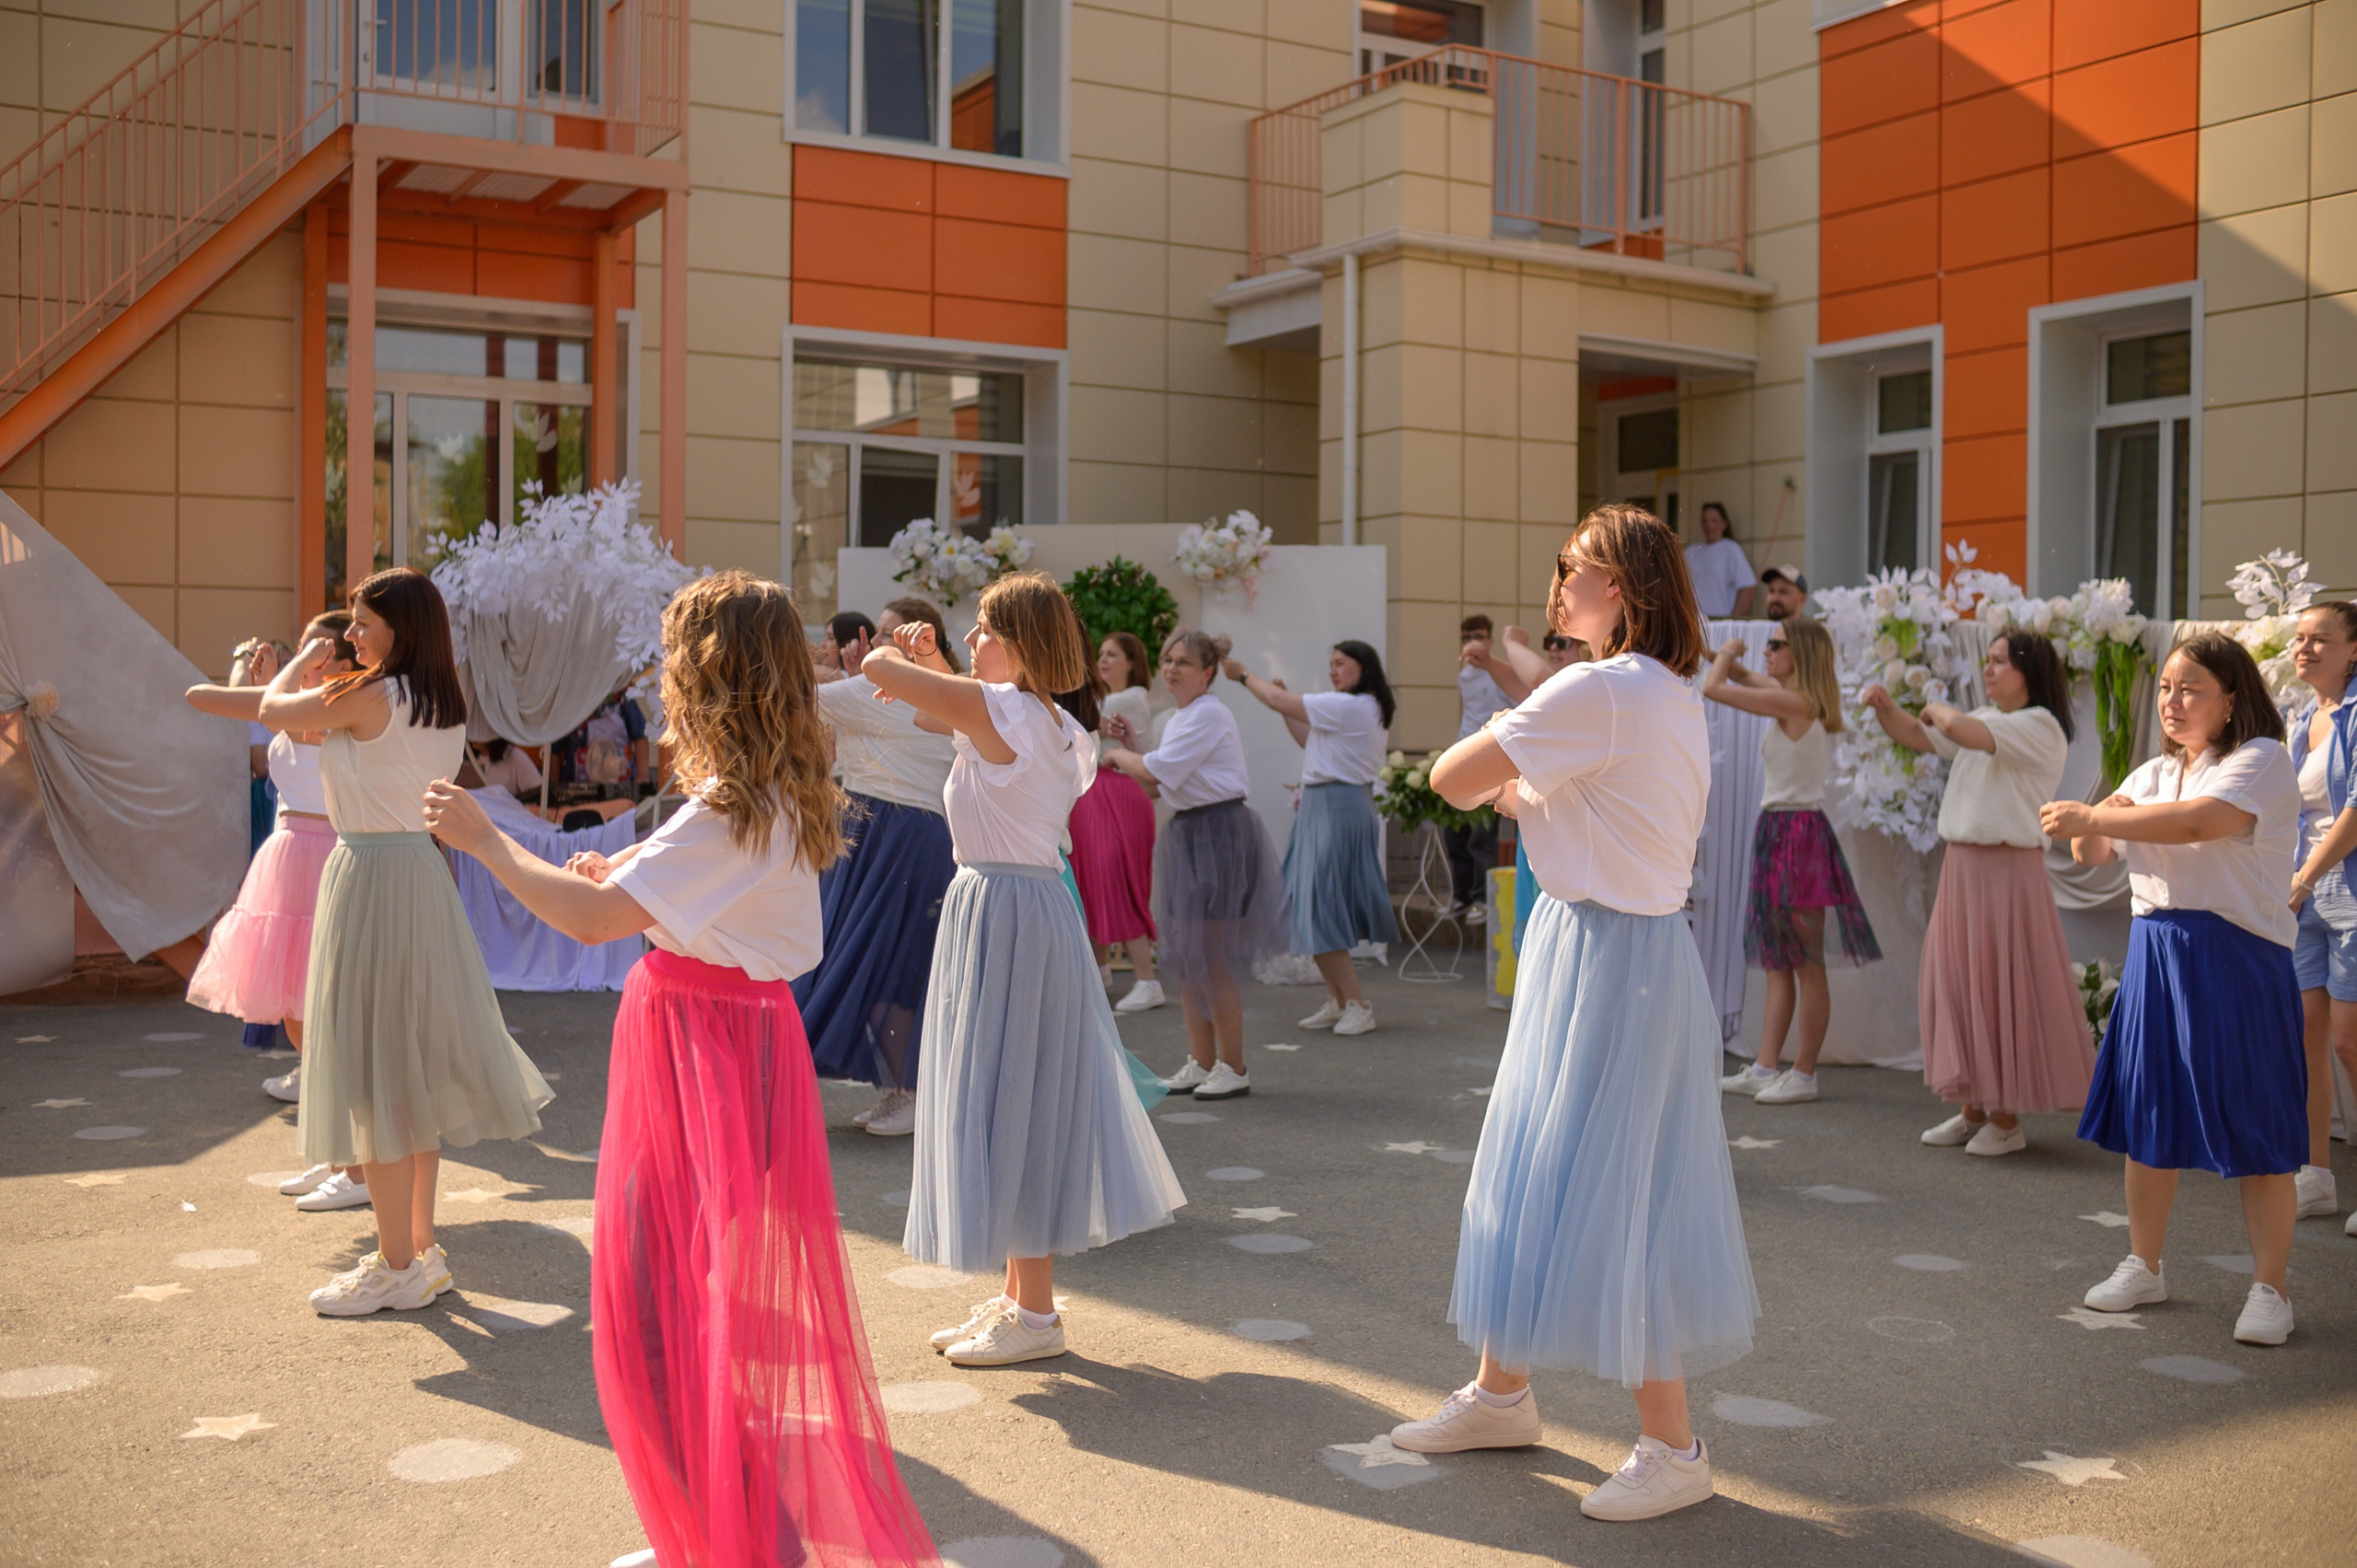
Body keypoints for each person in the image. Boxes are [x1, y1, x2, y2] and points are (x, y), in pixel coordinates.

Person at [424, 571, 938, 1567]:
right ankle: (716, 1530)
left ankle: (730, 1540)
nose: (662, 681)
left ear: (706, 678)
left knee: (656, 1307)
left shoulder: (729, 804)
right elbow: (683, 900)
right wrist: (624, 881)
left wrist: (485, 838)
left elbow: (587, 924)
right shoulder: (769, 788)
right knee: (684, 1301)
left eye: (672, 662)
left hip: (703, 1045)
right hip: (719, 1037)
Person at [1394, 504, 1757, 1523]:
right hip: (1609, 945)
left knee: (1610, 1187)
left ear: (1629, 590)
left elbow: (1449, 777)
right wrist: (1529, 777)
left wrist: (1511, 750)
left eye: (1579, 569)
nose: (1559, 585)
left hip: (1609, 955)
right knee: (1545, 1167)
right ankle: (1501, 1391)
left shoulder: (1598, 688)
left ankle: (1673, 1443)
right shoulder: (1662, 692)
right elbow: (1571, 801)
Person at [863, 573, 1185, 1367]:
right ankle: (1021, 1299)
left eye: (985, 628)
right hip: (1012, 904)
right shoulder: (1048, 722)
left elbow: (878, 671)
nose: (973, 641)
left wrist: (913, 658)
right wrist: (942, 662)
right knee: (1010, 1093)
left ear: (1024, 642)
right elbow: (954, 709)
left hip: (1005, 906)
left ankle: (1034, 1312)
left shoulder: (1010, 710)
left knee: (1012, 1098)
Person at [254, 567, 552, 1315]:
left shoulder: (368, 695)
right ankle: (416, 1251)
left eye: (360, 622)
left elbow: (270, 708)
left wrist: (304, 659)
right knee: (407, 1076)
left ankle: (397, 1263)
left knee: (377, 1079)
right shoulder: (440, 703)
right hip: (417, 873)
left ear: (400, 626)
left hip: (372, 874)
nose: (350, 635)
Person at [2044, 633, 2305, 1346]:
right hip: (2158, 950)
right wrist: (2096, 816)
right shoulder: (2157, 772)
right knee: (2149, 1119)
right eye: (2164, 686)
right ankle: (2144, 1262)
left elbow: (2197, 825)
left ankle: (2270, 1287)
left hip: (2239, 957)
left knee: (2260, 1128)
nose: (2172, 701)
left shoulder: (2262, 760)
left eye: (2190, 689)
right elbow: (2092, 850)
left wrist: (2096, 814)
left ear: (2230, 700)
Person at [1856, 633, 2091, 1153]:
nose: (1989, 669)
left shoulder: (2039, 726)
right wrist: (1886, 708)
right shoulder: (1990, 722)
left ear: (2028, 671)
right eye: (1987, 661)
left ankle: (2006, 1122)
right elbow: (1920, 736)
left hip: (2007, 872)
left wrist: (1937, 705)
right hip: (1964, 867)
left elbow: (1953, 725)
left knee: (1998, 985)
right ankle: (1972, 1110)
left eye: (1999, 661)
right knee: (1962, 983)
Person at [185, 613, 371, 1179]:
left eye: (323, 650)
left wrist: (289, 674)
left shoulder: (344, 711)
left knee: (332, 1020)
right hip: (287, 858)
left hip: (330, 857)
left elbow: (269, 711)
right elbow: (202, 697)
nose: (312, 658)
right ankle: (333, 1152)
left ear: (344, 665)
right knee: (296, 1018)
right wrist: (283, 674)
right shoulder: (293, 703)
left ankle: (354, 1163)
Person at [795, 598, 961, 1139]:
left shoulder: (882, 688)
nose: (876, 642)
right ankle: (899, 1088)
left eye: (888, 633)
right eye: (877, 633)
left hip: (898, 833)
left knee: (892, 964)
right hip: (886, 830)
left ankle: (910, 1089)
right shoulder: (927, 686)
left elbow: (801, 701)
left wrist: (811, 662)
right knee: (879, 961)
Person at [1101, 631, 1291, 1102]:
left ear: (1208, 673)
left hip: (1217, 834)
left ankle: (1233, 1065)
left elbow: (1149, 774)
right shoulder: (1185, 718)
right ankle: (1203, 1060)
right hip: (1191, 832)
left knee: (1212, 957)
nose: (1171, 669)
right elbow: (1155, 783)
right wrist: (1136, 747)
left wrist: (1120, 753)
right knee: (1187, 957)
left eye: (1183, 662)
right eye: (1167, 660)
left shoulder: (1208, 713)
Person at [1706, 617, 1880, 1104]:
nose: (1767, 652)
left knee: (1805, 962)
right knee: (1780, 961)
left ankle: (1803, 1074)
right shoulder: (1793, 696)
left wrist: (1723, 653)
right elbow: (1737, 676)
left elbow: (1716, 687)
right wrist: (1714, 651)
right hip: (1781, 829)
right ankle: (1765, 1066)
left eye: (1775, 645)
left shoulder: (1797, 702)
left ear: (1798, 654)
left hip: (1798, 834)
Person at [1225, 641, 1399, 1036]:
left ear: (1364, 667)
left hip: (1337, 808)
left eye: (1341, 664)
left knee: (1320, 905)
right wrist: (1284, 703)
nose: (1334, 670)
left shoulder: (1353, 705)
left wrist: (1242, 676)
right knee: (1309, 903)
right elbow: (1307, 737)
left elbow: (1275, 699)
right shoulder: (1350, 709)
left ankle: (1355, 1003)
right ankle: (1340, 1001)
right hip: (1326, 805)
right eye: (1331, 664)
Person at [2285, 601, 2357, 1227]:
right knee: (2307, 1038)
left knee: (2349, 1041)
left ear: (2353, 649)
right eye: (2299, 638)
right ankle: (2317, 1176)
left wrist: (2305, 878)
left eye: (2320, 639)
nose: (2304, 648)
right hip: (2304, 892)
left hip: (2346, 890)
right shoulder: (2304, 717)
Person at [1071, 631, 1162, 1013]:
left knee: (1116, 881)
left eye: (1113, 655)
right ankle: (1102, 971)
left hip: (1117, 792)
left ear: (1132, 662)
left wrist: (1086, 721)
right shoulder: (1100, 704)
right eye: (1101, 654)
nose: (1104, 661)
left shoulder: (1129, 698)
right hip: (1095, 794)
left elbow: (1071, 717)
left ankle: (1147, 979)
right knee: (1092, 881)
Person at [1446, 614, 1508, 923]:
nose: (1472, 642)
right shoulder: (1464, 675)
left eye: (1479, 636)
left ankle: (1483, 900)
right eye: (1467, 636)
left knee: (1481, 837)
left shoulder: (1496, 672)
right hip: (1462, 757)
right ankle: (1461, 897)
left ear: (1491, 641)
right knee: (1455, 832)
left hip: (1487, 762)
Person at [1683, 502, 1758, 620]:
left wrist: (1733, 620)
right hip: (1695, 620)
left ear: (1724, 524)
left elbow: (1748, 586)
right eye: (1705, 521)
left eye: (1714, 521)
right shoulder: (1691, 551)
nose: (1709, 525)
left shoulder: (1731, 549)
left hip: (1720, 621)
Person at [470, 738, 543, 798]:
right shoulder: (467, 758)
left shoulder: (514, 756)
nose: (473, 735)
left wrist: (509, 802)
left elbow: (538, 790)